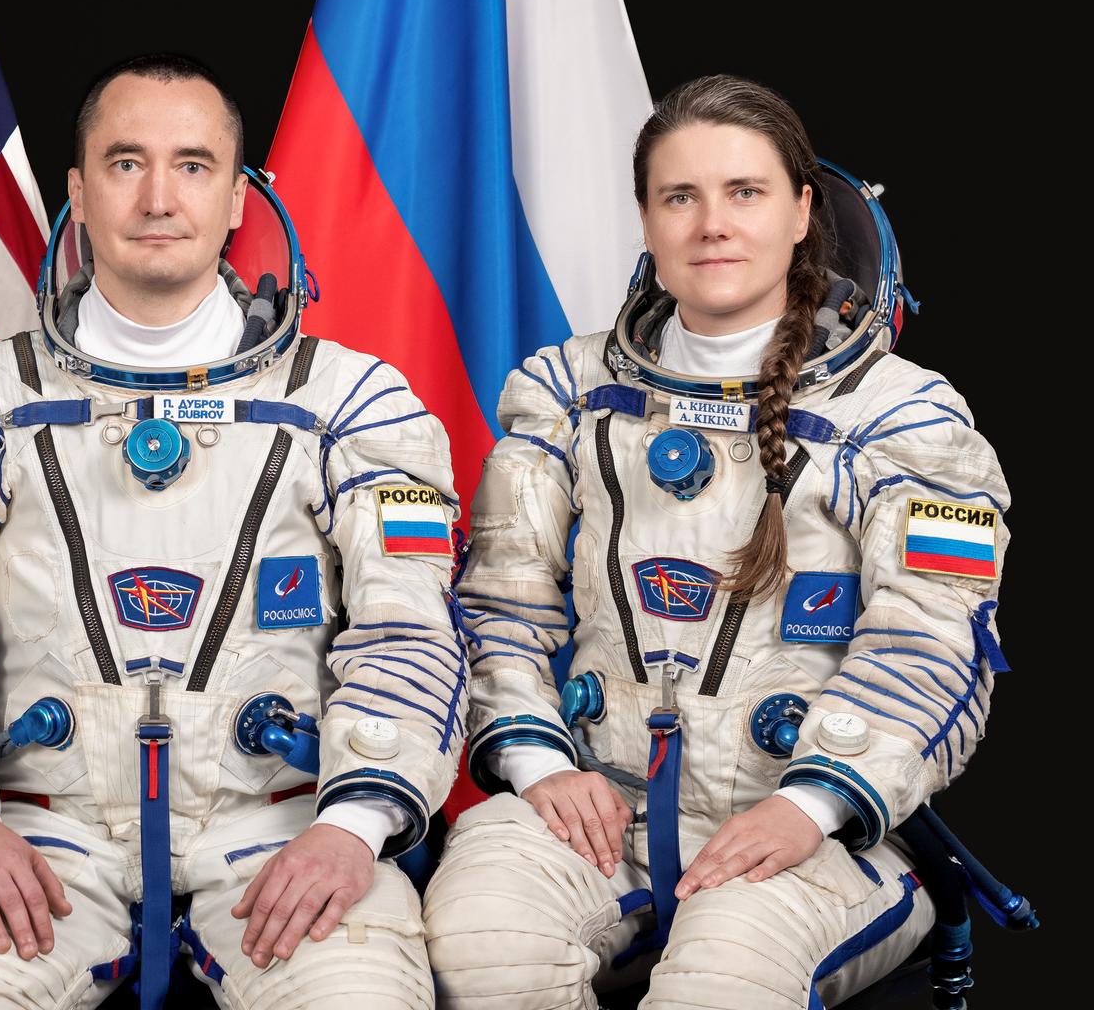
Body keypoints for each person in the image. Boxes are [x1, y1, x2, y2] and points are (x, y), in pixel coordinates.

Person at [0, 54, 464, 1009]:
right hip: (36, 831)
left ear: (238, 198)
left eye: (192, 165)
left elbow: (411, 632)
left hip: (285, 827)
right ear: (78, 191)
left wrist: (352, 825)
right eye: (125, 162)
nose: (157, 198)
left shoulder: (357, 402)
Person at [421, 74, 1011, 1008]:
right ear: (646, 222)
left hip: (820, 826)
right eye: (679, 197)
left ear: (801, 212)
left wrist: (811, 803)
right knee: (481, 947)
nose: (712, 225)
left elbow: (933, 646)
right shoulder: (567, 393)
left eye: (745, 192)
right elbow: (500, 603)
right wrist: (541, 764)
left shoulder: (908, 419)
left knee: (722, 978)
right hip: (599, 806)